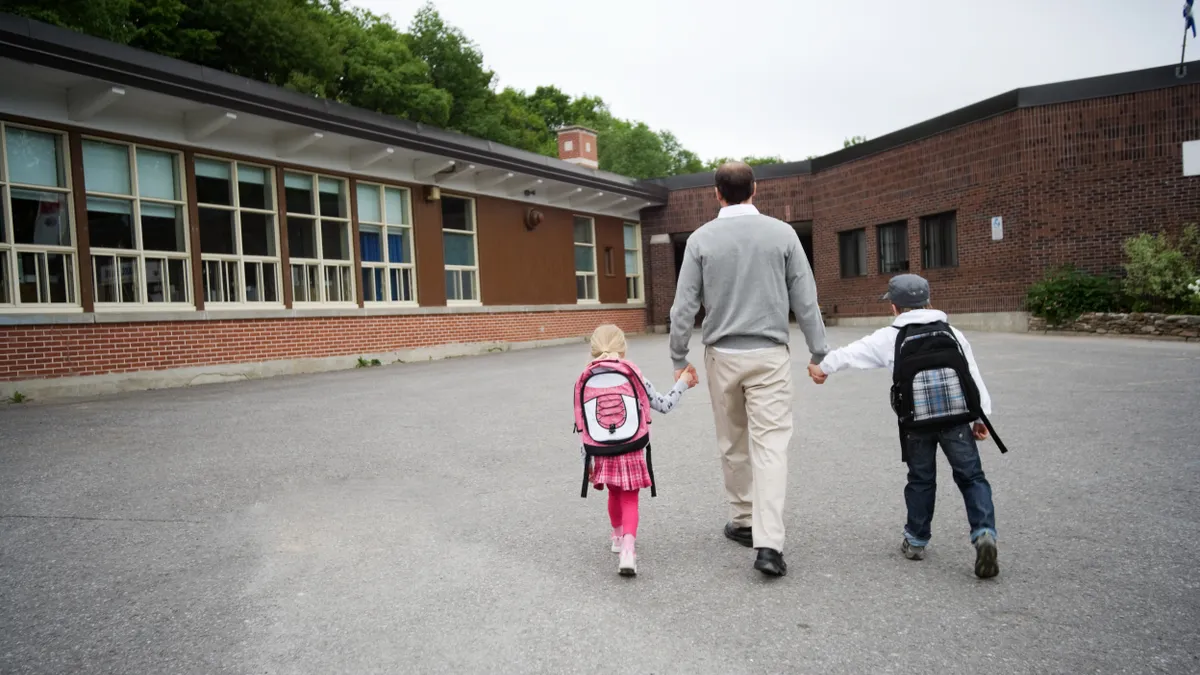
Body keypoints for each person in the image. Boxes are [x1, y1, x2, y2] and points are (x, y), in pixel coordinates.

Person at [668, 161, 829, 577]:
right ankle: (769, 544)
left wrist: (678, 357)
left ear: (716, 193)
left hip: (722, 354)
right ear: (755, 189)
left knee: (732, 439)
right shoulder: (783, 234)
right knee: (771, 446)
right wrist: (818, 351)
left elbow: (684, 305)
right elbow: (805, 299)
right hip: (770, 353)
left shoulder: (701, 240)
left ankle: (742, 520)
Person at [808, 274, 1001, 579]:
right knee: (972, 477)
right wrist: (981, 417)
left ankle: (916, 540)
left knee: (921, 479)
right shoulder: (952, 332)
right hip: (957, 419)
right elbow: (972, 375)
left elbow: (852, 353)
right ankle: (984, 533)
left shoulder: (890, 336)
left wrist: (822, 367)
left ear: (895, 307)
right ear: (929, 302)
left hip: (917, 422)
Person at [583, 325, 697, 576]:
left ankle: (616, 537)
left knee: (613, 494)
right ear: (622, 348)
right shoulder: (633, 374)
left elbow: (583, 423)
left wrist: (587, 460)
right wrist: (683, 383)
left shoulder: (587, 377)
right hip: (632, 447)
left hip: (601, 450)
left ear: (593, 350)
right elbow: (664, 405)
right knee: (630, 498)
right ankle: (627, 550)